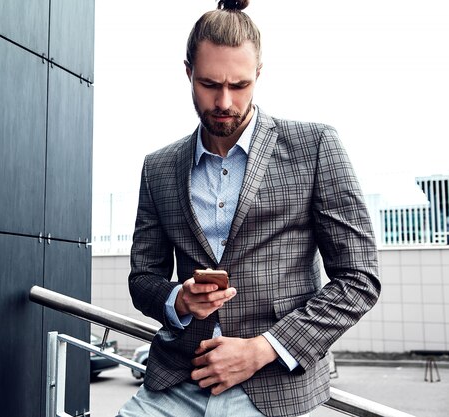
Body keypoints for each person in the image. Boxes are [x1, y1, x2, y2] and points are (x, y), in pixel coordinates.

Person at [119, 1, 381, 416]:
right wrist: (178, 300)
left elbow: (360, 278)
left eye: (239, 85)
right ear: (187, 72)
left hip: (274, 386)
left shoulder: (315, 147)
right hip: (175, 380)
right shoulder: (159, 167)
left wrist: (264, 348)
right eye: (209, 84)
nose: (224, 101)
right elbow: (142, 279)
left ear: (259, 75)